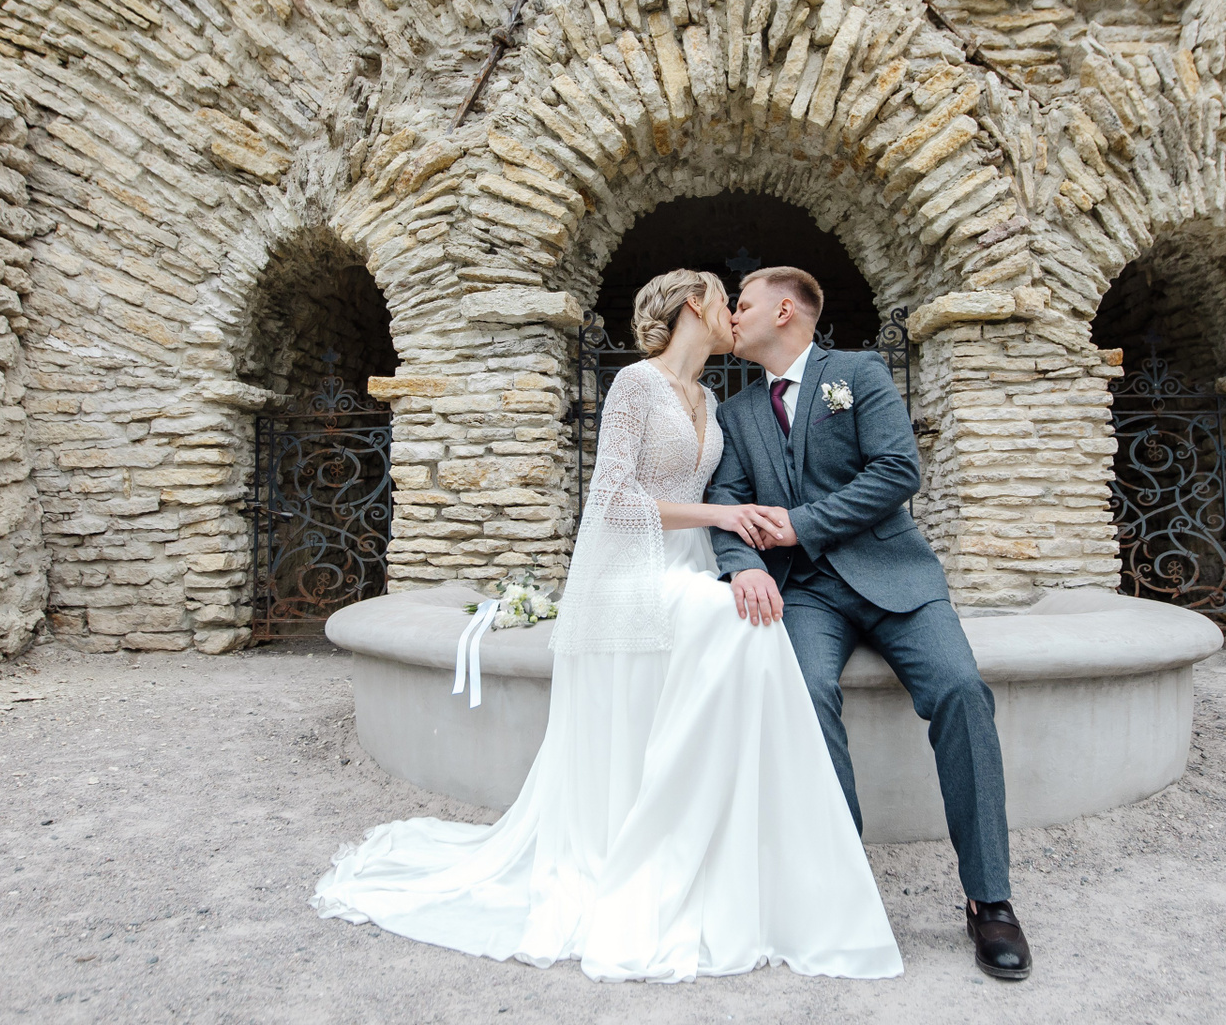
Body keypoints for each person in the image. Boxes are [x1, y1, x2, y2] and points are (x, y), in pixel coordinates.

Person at [312, 269, 902, 983]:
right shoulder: (634, 385)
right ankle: (672, 834)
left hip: (690, 566)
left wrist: (732, 536)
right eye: (727, 301)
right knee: (739, 622)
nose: (733, 314)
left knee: (747, 622)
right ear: (696, 305)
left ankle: (733, 845)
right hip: (633, 571)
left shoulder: (713, 399)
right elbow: (614, 501)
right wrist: (721, 515)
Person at [706, 265, 1032, 981]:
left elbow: (896, 471)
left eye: (742, 304)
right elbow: (726, 502)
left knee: (961, 690)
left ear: (784, 310)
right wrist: (743, 566)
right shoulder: (735, 413)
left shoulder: (858, 373)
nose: (731, 316)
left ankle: (989, 897)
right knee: (804, 695)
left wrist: (800, 526)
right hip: (804, 593)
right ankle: (844, 883)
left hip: (896, 579)